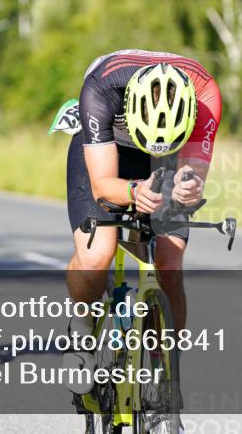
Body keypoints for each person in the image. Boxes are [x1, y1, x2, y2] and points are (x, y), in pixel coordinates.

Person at [66, 49, 222, 339]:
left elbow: (193, 175)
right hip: (110, 148)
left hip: (170, 156)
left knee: (170, 261)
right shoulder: (103, 87)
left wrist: (187, 187)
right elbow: (102, 185)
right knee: (97, 256)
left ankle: (165, 374)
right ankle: (82, 324)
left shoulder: (205, 94)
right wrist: (134, 191)